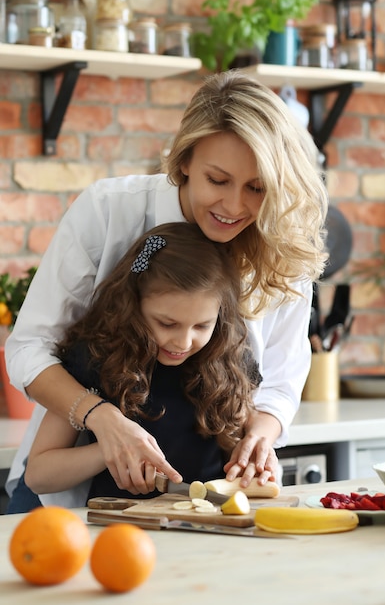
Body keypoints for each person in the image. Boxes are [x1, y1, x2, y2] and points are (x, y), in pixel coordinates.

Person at [5, 69, 328, 511]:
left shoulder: (283, 242)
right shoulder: (108, 212)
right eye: (217, 180)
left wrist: (259, 436)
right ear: (184, 163)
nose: (234, 207)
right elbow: (29, 348)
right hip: (65, 501)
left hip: (198, 507)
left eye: (257, 188)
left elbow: (282, 376)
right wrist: (105, 424)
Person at [24, 222, 263, 501]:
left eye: (201, 326)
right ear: (133, 305)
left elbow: (248, 429)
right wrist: (111, 447)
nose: (183, 342)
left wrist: (256, 450)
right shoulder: (94, 360)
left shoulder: (230, 360)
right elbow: (39, 475)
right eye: (167, 323)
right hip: (121, 530)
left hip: (211, 524)